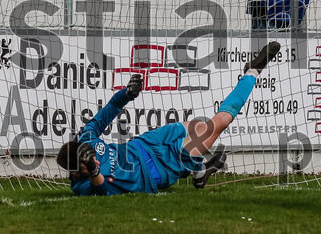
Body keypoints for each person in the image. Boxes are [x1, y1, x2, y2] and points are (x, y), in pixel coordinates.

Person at [56, 42, 281, 195]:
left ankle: (199, 172)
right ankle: (252, 73)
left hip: (147, 143)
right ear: (76, 172)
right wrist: (94, 172)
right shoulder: (81, 186)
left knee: (198, 126)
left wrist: (126, 94)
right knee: (218, 124)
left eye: (93, 158)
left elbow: (108, 111)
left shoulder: (85, 138)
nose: (95, 161)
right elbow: (101, 190)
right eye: (89, 164)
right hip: (157, 169)